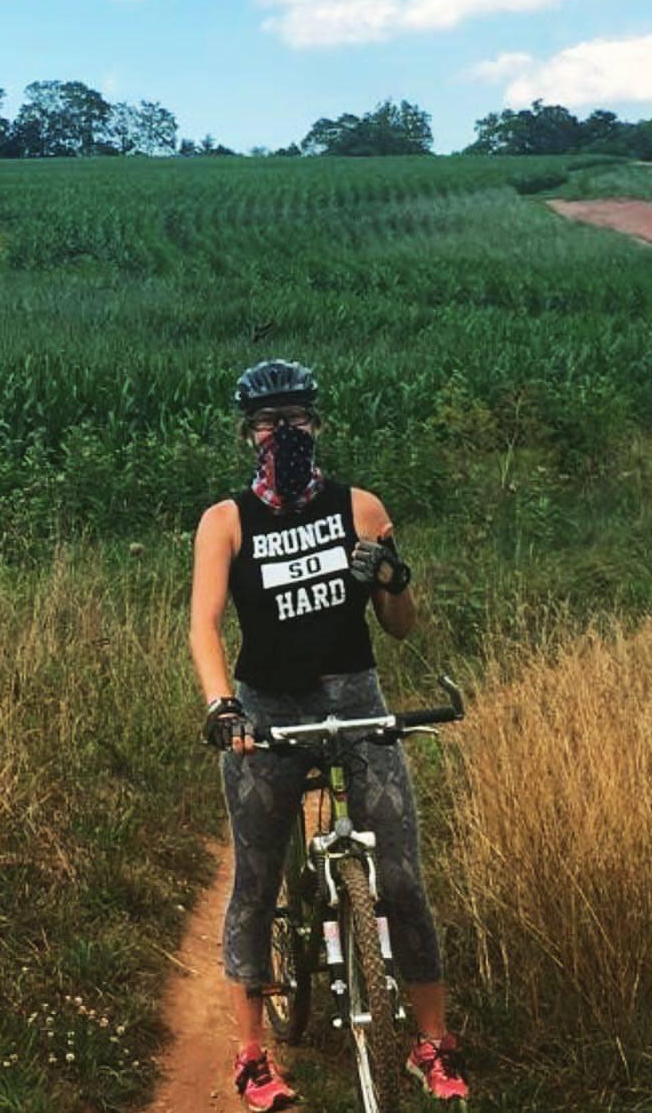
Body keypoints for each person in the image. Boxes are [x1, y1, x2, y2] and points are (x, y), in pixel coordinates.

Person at [189, 359, 469, 1111]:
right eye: (269, 423)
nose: (284, 435)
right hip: (266, 705)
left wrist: (391, 578)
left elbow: (400, 628)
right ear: (249, 433)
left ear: (317, 424)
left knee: (403, 876)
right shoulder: (225, 521)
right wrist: (223, 706)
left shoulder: (362, 509)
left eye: (297, 420)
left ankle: (430, 1043)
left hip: (355, 694)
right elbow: (204, 625)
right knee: (253, 881)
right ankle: (252, 1055)